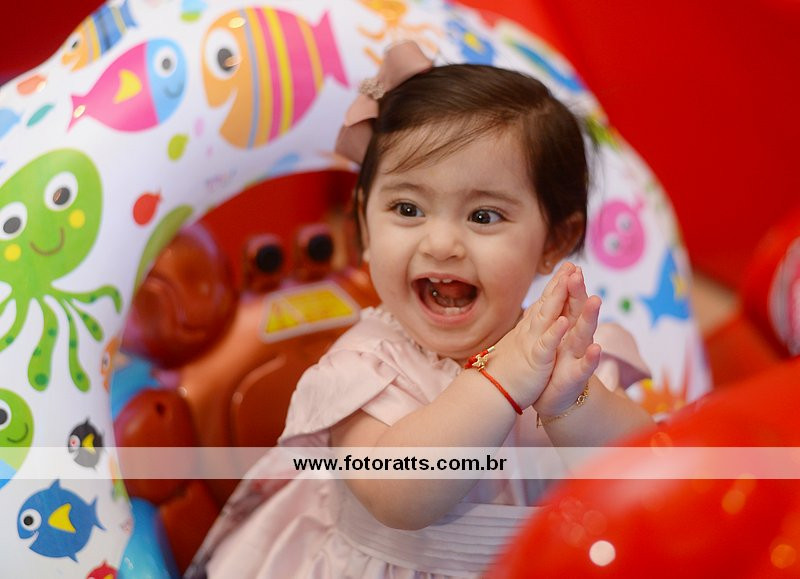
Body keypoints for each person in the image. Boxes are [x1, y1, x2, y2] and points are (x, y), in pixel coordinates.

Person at [186, 41, 655, 578]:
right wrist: (502, 381)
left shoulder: (568, 353)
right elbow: (400, 497)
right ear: (364, 225)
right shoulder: (364, 366)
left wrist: (573, 403)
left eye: (483, 216)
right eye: (408, 208)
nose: (441, 244)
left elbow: (642, 475)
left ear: (554, 241)